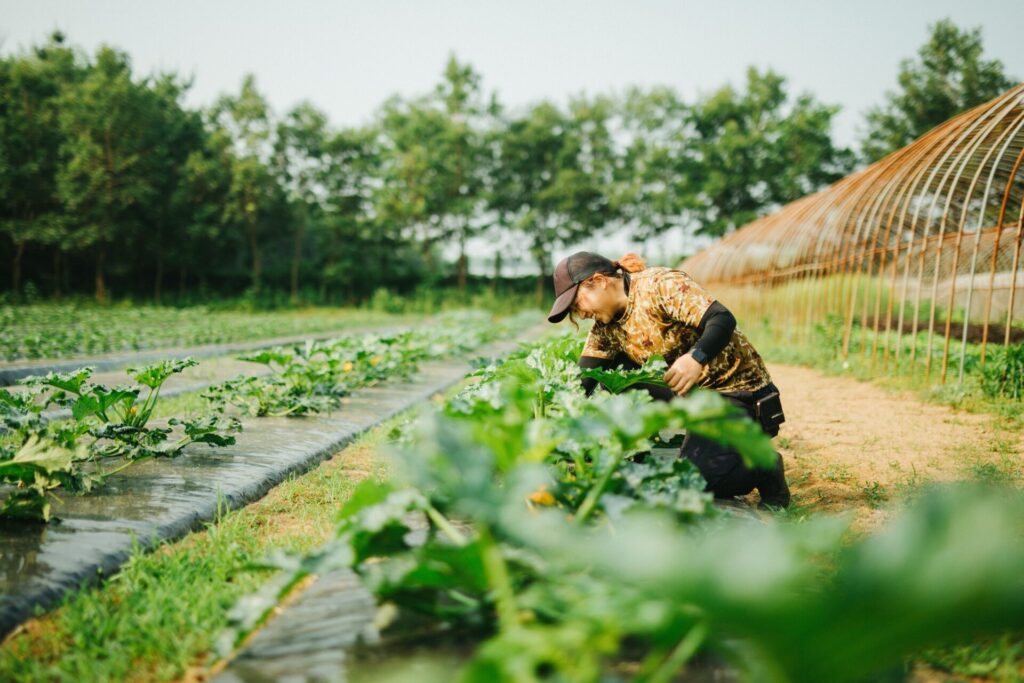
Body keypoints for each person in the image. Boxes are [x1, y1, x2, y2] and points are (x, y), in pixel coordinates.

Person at [546, 250, 790, 509]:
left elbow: (721, 318)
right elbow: (583, 380)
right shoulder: (605, 328)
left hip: (736, 392)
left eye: (578, 304)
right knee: (614, 373)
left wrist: (696, 358)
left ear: (599, 281)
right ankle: (645, 451)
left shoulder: (659, 285)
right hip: (691, 396)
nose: (581, 314)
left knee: (696, 482)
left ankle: (766, 466)